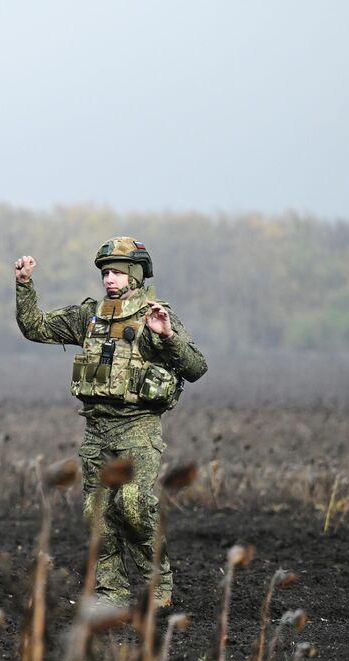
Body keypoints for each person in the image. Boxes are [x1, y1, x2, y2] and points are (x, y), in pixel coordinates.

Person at [13, 238, 207, 608]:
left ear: (135, 275)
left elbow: (196, 368)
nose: (109, 279)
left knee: (133, 505)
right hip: (97, 429)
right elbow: (35, 327)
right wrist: (24, 285)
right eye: (105, 273)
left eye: (117, 272)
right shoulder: (90, 316)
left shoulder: (155, 315)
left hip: (138, 427)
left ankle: (157, 585)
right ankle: (111, 592)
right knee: (96, 512)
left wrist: (168, 336)